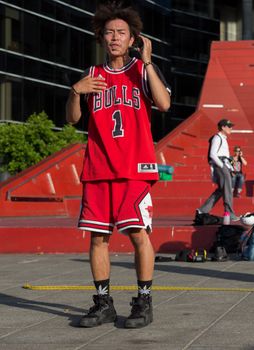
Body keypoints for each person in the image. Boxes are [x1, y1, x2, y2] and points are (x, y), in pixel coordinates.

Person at [65, 2, 171, 328]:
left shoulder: (141, 71)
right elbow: (72, 120)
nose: (114, 37)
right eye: (109, 32)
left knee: (138, 234)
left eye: (121, 33)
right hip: (98, 169)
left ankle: (144, 302)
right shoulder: (91, 76)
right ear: (101, 38)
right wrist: (74, 91)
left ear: (132, 39)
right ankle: (103, 303)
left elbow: (165, 104)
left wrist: (149, 60)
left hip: (134, 169)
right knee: (97, 239)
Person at [196, 119, 239, 221]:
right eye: (229, 126)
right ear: (223, 127)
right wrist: (222, 166)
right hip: (220, 166)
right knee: (227, 190)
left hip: (224, 165)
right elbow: (212, 154)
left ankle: (202, 210)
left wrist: (230, 167)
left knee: (221, 190)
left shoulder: (223, 138)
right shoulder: (217, 137)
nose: (231, 128)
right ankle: (230, 214)